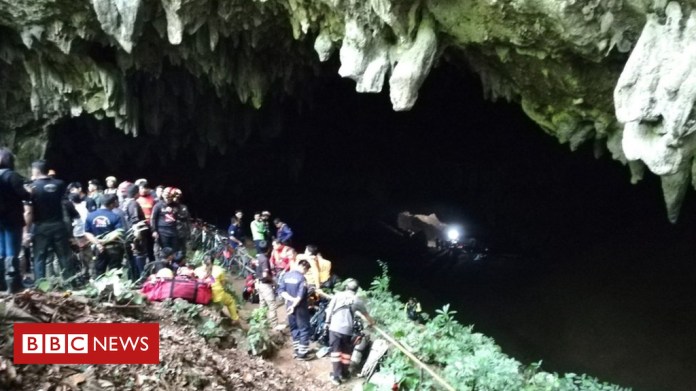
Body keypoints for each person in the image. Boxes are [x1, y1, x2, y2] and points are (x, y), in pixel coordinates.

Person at [29, 160, 76, 282]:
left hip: (41, 226)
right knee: (64, 255)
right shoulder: (60, 184)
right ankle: (70, 281)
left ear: (36, 171)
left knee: (40, 257)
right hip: (59, 224)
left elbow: (29, 208)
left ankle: (40, 284)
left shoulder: (32, 187)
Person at [325, 278, 375, 385]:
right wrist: (371, 322)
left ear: (346, 287)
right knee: (346, 353)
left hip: (335, 327)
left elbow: (329, 309)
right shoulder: (357, 300)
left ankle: (336, 376)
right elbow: (366, 315)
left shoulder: (338, 295)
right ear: (357, 290)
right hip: (347, 330)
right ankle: (344, 373)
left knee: (336, 352)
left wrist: (327, 322)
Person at [0, 148, 31, 292]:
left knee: (2, 250)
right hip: (12, 217)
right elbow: (24, 195)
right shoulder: (12, 176)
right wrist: (30, 192)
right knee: (12, 250)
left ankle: (2, 283)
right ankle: (13, 285)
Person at [278, 259, 313, 360]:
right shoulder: (302, 279)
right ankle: (302, 354)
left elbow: (281, 291)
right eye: (306, 270)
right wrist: (294, 304)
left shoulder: (286, 275)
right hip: (300, 307)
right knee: (304, 328)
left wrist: (290, 301)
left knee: (294, 328)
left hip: (289, 306)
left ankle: (297, 350)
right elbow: (300, 296)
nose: (306, 272)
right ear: (304, 268)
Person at [84, 194, 124, 276]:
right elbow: (119, 232)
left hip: (98, 249)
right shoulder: (115, 216)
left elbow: (87, 233)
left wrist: (98, 243)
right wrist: (104, 241)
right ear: (113, 203)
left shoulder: (90, 216)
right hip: (113, 248)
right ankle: (114, 288)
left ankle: (101, 288)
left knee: (99, 272)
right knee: (115, 272)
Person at [69, 192, 94, 279]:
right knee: (88, 255)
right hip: (86, 233)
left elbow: (75, 223)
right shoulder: (84, 208)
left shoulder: (75, 209)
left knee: (81, 255)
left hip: (78, 234)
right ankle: (90, 273)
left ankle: (85, 273)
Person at [151, 187, 183, 255]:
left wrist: (177, 196)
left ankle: (174, 264)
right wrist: (154, 230)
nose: (168, 198)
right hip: (162, 232)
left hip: (173, 231)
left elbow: (180, 215)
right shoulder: (158, 205)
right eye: (166, 196)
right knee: (165, 251)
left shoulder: (176, 205)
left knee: (175, 251)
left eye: (169, 196)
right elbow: (153, 218)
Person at [254, 240, 278, 327]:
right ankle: (274, 325)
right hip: (265, 285)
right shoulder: (264, 259)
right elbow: (265, 274)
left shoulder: (259, 257)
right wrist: (272, 280)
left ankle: (262, 323)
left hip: (258, 283)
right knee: (272, 305)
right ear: (268, 249)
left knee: (263, 304)